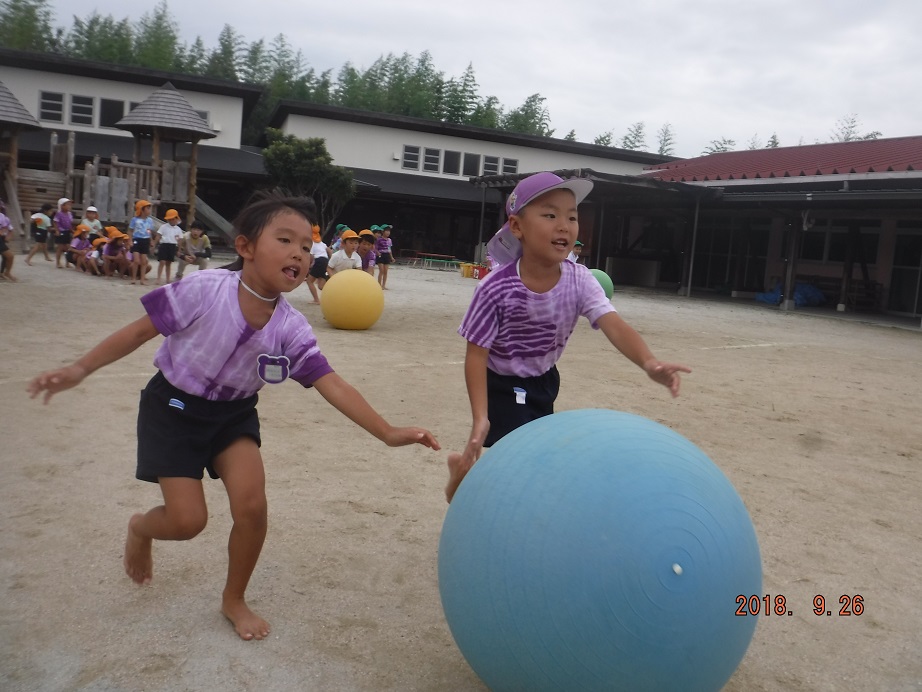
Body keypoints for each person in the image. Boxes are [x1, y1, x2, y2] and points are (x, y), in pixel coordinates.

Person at [27, 193, 440, 642]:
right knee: (187, 523)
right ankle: (140, 528)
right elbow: (140, 330)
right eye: (285, 240)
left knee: (253, 507)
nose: (299, 253)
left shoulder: (291, 326)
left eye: (306, 245)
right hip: (173, 408)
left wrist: (387, 431)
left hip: (233, 415)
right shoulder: (206, 289)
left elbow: (330, 382)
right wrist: (79, 368)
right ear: (245, 247)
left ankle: (233, 598)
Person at [444, 172, 691, 503]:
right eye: (550, 215)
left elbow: (613, 323)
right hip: (502, 381)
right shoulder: (495, 288)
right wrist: (480, 417)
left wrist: (649, 362)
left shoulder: (580, 280)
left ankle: (460, 478)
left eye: (572, 216)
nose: (564, 225)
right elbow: (476, 354)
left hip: (545, 379)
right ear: (517, 227)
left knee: (529, 452)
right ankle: (479, 494)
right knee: (523, 457)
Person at [129, 200, 155, 285]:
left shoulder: (150, 221)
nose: (149, 210)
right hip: (136, 239)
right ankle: (133, 278)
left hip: (145, 240)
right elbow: (130, 231)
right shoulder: (134, 219)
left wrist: (151, 240)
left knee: (144, 261)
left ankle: (142, 279)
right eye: (147, 208)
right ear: (142, 209)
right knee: (136, 260)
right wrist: (129, 240)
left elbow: (149, 231)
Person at [154, 209, 183, 284]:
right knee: (162, 262)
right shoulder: (163, 227)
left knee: (169, 263)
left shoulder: (178, 229)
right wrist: (154, 244)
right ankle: (158, 278)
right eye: (169, 219)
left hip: (172, 246)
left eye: (173, 219)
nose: (171, 221)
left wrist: (179, 250)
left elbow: (180, 241)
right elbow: (158, 235)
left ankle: (167, 279)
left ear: (177, 218)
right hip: (163, 245)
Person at [305, 224, 328, 304]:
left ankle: (316, 300)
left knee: (309, 281)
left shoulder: (312, 243)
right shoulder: (321, 243)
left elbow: (311, 256)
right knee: (321, 286)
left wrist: (309, 265)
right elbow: (328, 250)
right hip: (325, 260)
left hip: (319, 261)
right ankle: (330, 297)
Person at [53, 197, 75, 268]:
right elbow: (55, 222)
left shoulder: (69, 214)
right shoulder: (59, 214)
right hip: (61, 232)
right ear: (61, 206)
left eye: (70, 205)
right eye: (67, 205)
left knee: (68, 247)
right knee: (60, 247)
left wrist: (72, 231)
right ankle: (58, 262)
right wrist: (57, 230)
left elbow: (70, 224)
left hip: (67, 232)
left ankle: (67, 262)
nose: (69, 206)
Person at [0, 200, 16, 282]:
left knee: (7, 257)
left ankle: (4, 273)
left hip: (1, 239)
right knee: (9, 256)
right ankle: (6, 273)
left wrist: (7, 237)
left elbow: (9, 229)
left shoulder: (3, 217)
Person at [375, 224, 394, 289]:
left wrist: (391, 257)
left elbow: (389, 249)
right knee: (381, 270)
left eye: (389, 231)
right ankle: (379, 285)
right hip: (381, 255)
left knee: (386, 271)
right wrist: (378, 253)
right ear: (383, 231)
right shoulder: (379, 239)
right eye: (386, 231)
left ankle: (384, 285)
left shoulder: (389, 240)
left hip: (387, 255)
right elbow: (376, 248)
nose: (388, 232)